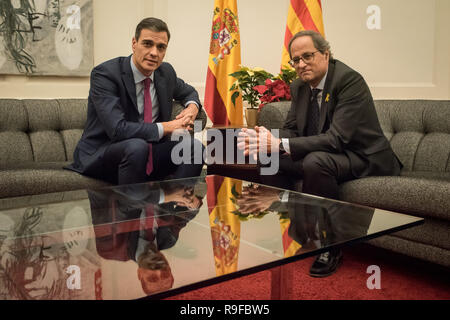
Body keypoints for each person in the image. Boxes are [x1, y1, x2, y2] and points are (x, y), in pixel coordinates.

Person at [238, 30, 402, 277]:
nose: (301, 64)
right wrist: (267, 139)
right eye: (296, 60)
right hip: (329, 154)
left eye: (307, 56)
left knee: (315, 162)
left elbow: (337, 139)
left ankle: (331, 245)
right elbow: (293, 129)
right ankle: (299, 232)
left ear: (325, 54)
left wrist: (280, 144)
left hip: (363, 155)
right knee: (268, 156)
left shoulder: (348, 81)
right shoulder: (300, 86)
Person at [66, 17, 204, 185]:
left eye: (161, 47)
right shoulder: (106, 74)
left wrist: (192, 108)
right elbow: (117, 129)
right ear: (134, 43)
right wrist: (170, 127)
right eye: (147, 44)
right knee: (137, 147)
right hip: (106, 152)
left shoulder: (165, 72)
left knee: (194, 148)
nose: (154, 53)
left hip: (150, 151)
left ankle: (177, 206)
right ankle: (131, 208)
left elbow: (189, 92)